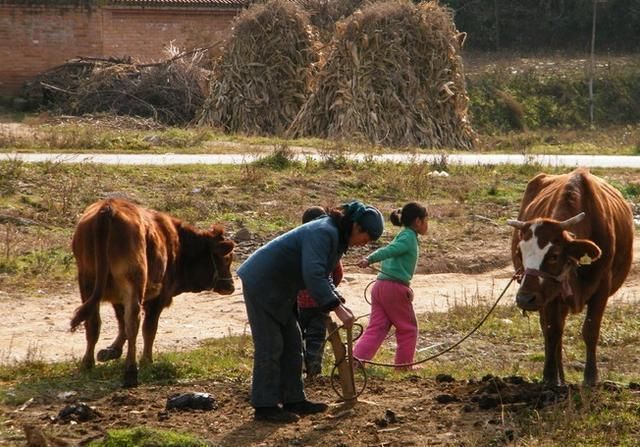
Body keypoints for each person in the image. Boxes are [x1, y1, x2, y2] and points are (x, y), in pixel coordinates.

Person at [237, 201, 384, 423]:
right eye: (367, 238)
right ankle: (264, 406)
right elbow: (313, 274)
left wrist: (339, 303)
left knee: (294, 343)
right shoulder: (324, 232)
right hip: (263, 282)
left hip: (282, 288)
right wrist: (336, 308)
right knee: (271, 344)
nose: (365, 244)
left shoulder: (336, 237)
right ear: (356, 226)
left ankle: (294, 399)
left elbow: (323, 275)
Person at [353, 202, 428, 369]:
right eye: (426, 220)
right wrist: (370, 259)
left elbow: (390, 249)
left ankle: (355, 361)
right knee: (408, 328)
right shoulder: (408, 237)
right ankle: (404, 366)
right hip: (394, 288)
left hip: (380, 286)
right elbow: (390, 250)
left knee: (377, 327)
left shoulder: (405, 235)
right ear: (417, 221)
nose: (427, 224)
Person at [296, 206, 345, 379]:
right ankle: (314, 370)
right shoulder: (328, 247)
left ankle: (299, 368)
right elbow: (338, 274)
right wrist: (328, 291)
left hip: (300, 304)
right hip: (321, 303)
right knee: (316, 338)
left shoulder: (300, 245)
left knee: (297, 336)